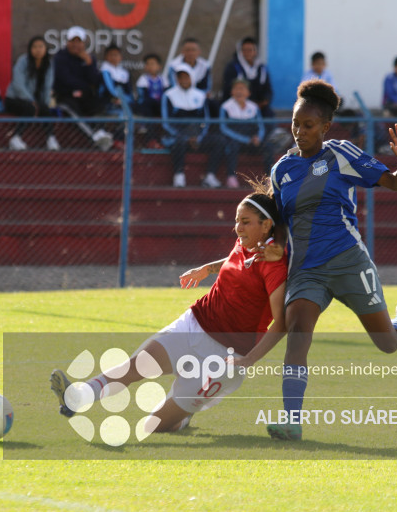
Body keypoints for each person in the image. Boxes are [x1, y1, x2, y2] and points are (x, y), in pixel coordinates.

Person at [265, 80, 397, 441]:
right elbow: (280, 221)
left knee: (387, 343)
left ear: (325, 127)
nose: (299, 131)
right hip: (306, 270)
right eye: (295, 124)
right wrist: (276, 245)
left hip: (349, 263)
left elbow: (395, 183)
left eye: (308, 125)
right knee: (297, 336)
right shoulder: (281, 170)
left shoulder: (340, 154)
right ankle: (292, 421)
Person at [50, 186, 288, 434]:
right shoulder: (245, 242)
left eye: (245, 222)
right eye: (237, 220)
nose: (238, 228)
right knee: (133, 367)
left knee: (152, 427)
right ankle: (76, 397)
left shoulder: (274, 265)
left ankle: (181, 418)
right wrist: (207, 269)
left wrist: (249, 360)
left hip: (225, 356)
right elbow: (235, 260)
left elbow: (282, 323)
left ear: (266, 225)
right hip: (194, 325)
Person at [161, 63, 223, 188]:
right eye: (180, 77)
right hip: (177, 138)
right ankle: (179, 176)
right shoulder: (168, 95)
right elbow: (166, 123)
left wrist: (198, 138)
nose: (184, 80)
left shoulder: (200, 95)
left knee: (219, 141)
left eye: (186, 77)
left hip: (198, 137)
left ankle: (210, 176)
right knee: (178, 143)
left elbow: (206, 121)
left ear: (192, 78)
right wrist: (185, 137)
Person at [52, 25, 112, 150]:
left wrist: (89, 64)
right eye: (72, 41)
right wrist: (84, 86)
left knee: (100, 105)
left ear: (83, 43)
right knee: (71, 109)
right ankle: (94, 137)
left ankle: (100, 132)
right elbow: (65, 80)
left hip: (85, 96)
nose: (75, 45)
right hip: (66, 96)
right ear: (67, 42)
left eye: (79, 41)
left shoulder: (89, 58)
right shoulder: (60, 58)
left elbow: (95, 81)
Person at [6, 36, 60, 151]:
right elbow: (18, 84)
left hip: (34, 101)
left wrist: (44, 104)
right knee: (30, 108)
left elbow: (47, 87)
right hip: (14, 99)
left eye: (41, 47)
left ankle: (51, 138)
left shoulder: (48, 64)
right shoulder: (23, 61)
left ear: (45, 49)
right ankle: (15, 138)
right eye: (35, 47)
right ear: (30, 49)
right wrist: (31, 100)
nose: (38, 50)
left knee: (45, 109)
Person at [218, 78, 274, 186]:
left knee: (268, 146)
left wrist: (258, 138)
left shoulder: (254, 107)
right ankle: (231, 177)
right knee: (232, 146)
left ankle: (269, 178)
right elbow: (223, 128)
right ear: (231, 91)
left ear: (248, 92)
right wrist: (245, 140)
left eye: (242, 88)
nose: (239, 91)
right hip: (235, 141)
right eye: (236, 88)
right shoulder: (225, 107)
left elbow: (260, 126)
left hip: (252, 141)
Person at [222, 37, 273, 119]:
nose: (247, 53)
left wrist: (265, 100)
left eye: (250, 50)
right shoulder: (233, 67)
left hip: (259, 105)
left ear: (255, 52)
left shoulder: (262, 68)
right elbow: (228, 87)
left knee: (268, 114)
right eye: (244, 50)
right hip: (238, 102)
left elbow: (267, 88)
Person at [135, 53, 167, 148]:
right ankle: (149, 137)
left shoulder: (163, 79)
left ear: (159, 67)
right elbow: (142, 96)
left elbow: (166, 94)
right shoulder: (143, 79)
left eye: (153, 64)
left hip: (159, 106)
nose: (150, 66)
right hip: (147, 107)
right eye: (147, 64)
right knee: (148, 103)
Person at [99, 44, 133, 113]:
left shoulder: (124, 72)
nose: (113, 57)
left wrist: (127, 99)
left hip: (123, 100)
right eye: (111, 55)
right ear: (106, 57)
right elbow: (110, 89)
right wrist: (118, 98)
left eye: (116, 55)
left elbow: (129, 90)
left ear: (121, 57)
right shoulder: (105, 70)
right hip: (108, 101)